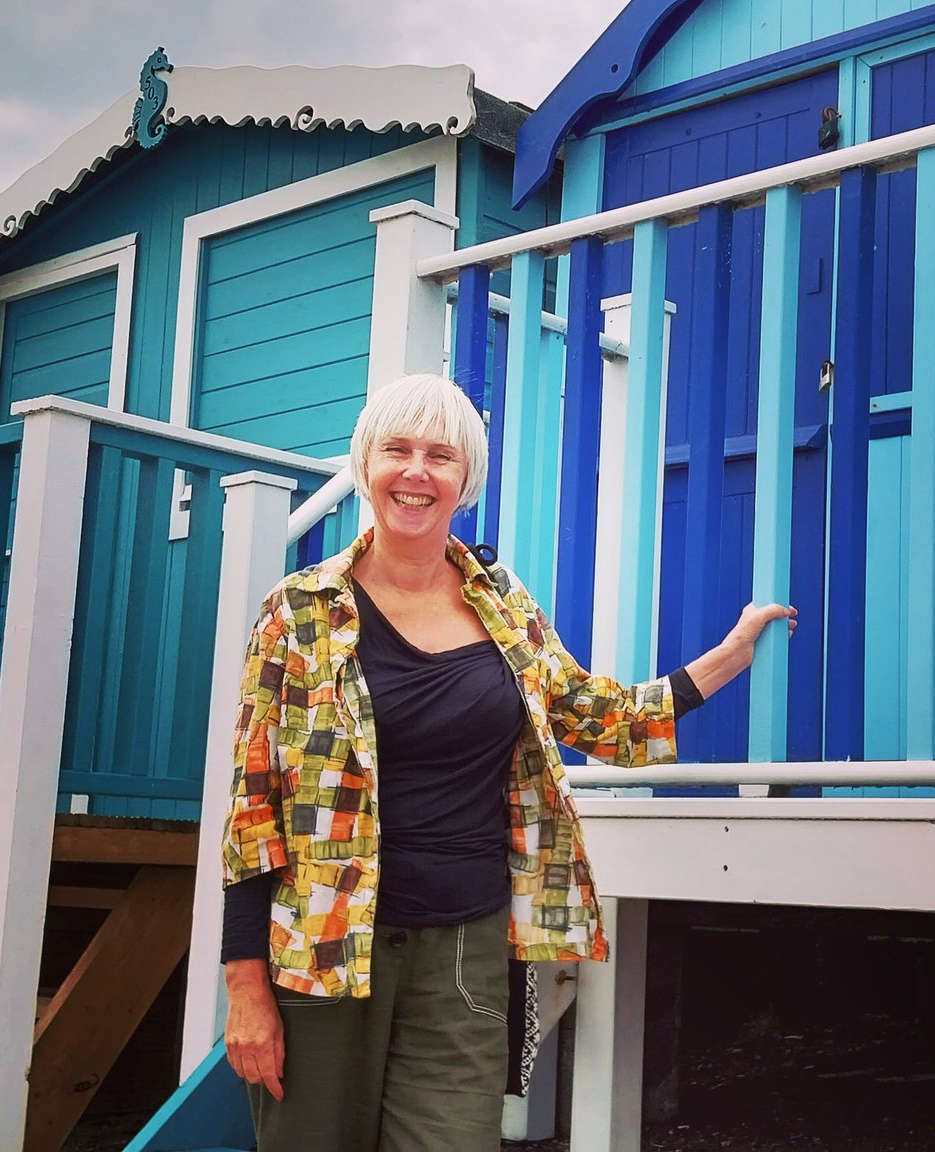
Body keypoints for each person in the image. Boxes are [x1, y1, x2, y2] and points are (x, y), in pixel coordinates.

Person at [220, 373, 795, 1152]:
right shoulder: (298, 613)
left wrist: (724, 661)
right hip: (322, 950)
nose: (417, 472)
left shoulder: (506, 609)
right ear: (366, 466)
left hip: (466, 949)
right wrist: (245, 983)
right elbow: (253, 807)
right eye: (397, 450)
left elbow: (604, 719)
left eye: (440, 456)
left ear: (466, 480)